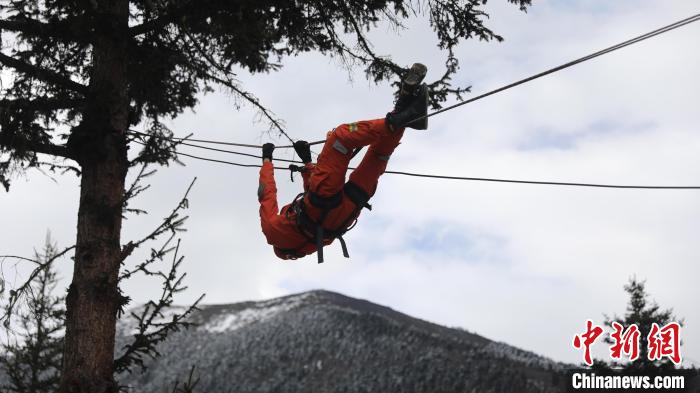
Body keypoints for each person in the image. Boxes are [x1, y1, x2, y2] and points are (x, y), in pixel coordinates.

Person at [258, 63, 429, 263]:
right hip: (324, 202)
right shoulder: (274, 233)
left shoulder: (313, 242)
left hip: (347, 209)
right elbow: (266, 193)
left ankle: (404, 106)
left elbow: (313, 206)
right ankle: (400, 116)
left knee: (378, 155)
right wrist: (267, 160)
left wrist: (307, 163)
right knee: (340, 139)